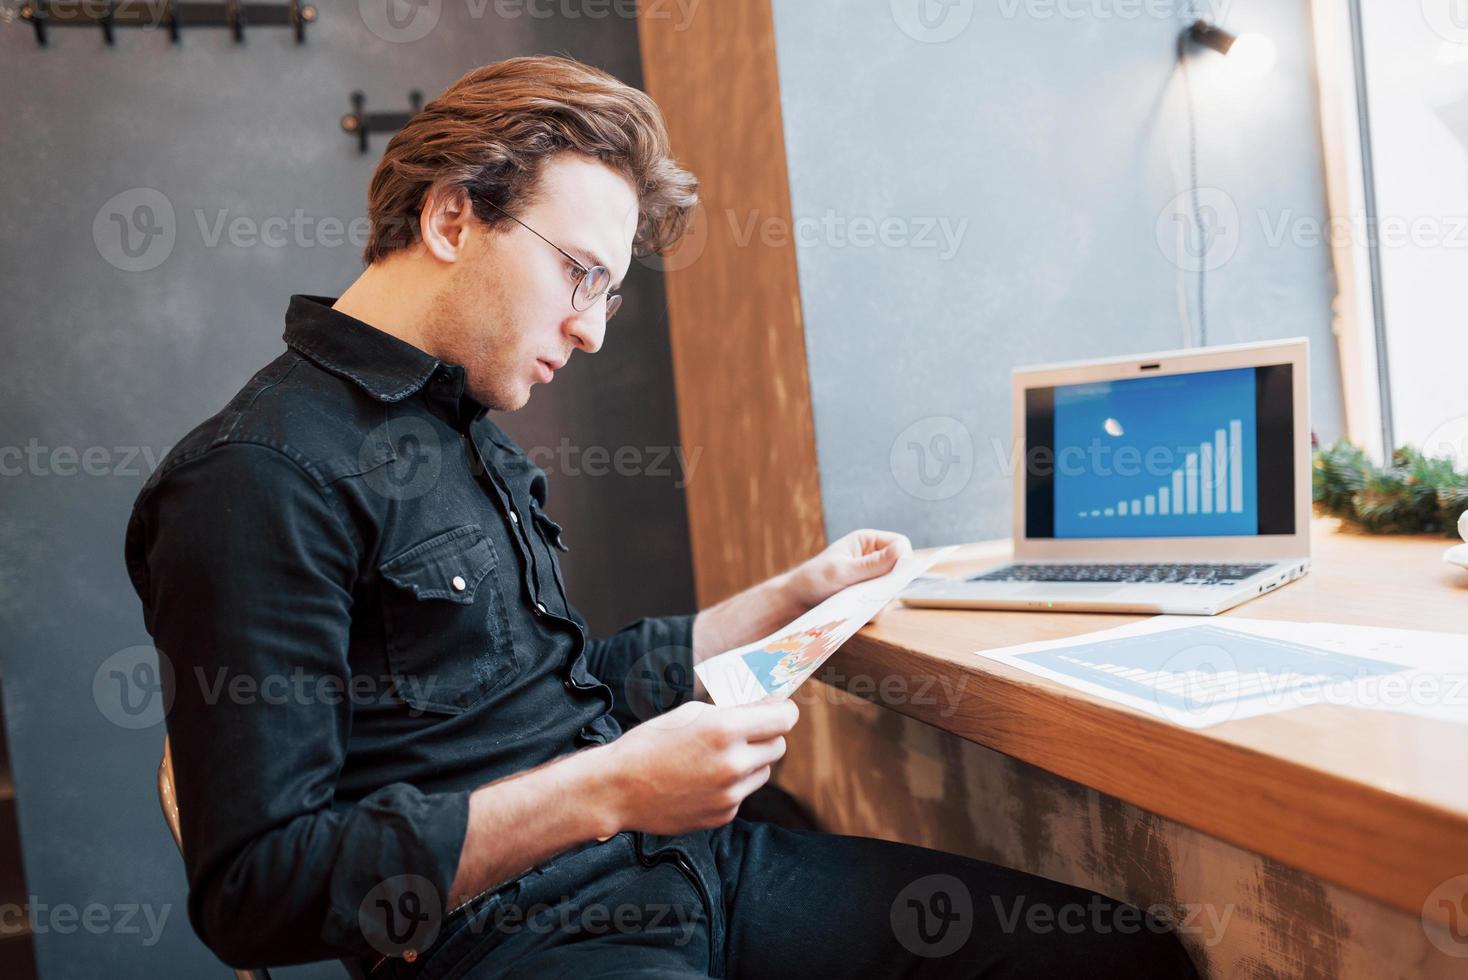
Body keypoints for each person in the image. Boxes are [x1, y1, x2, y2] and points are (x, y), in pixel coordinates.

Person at [124, 56, 1197, 979]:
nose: (590, 330)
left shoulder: (456, 420)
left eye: (610, 292)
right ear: (452, 215)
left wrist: (793, 596)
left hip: (684, 863)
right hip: (518, 941)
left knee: (1117, 953)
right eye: (578, 275)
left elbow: (555, 689)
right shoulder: (255, 478)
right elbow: (257, 888)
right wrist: (613, 784)